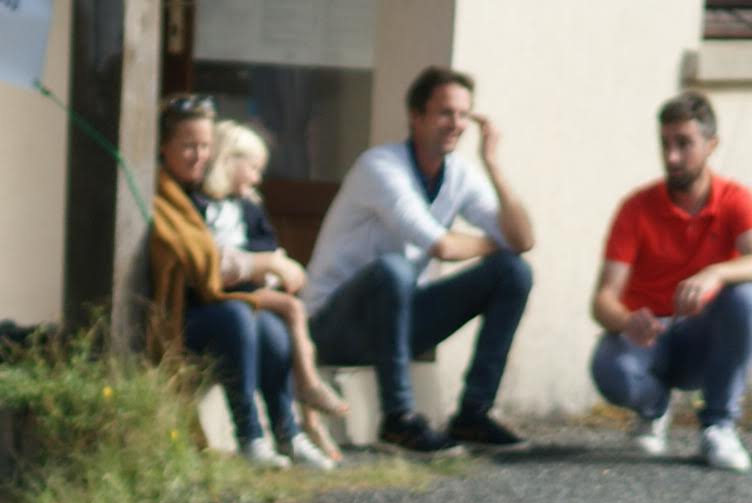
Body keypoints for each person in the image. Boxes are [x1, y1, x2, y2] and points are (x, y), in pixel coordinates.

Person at [302, 64, 536, 454]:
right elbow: (441, 246)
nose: (456, 124)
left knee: (513, 272)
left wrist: (493, 165)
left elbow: (523, 240)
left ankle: (473, 414)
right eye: (445, 113)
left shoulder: (460, 173)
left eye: (463, 115)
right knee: (394, 271)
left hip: (398, 321)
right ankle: (397, 420)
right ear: (415, 116)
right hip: (334, 325)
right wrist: (496, 242)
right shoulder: (380, 167)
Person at [147, 96, 327, 470]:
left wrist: (264, 263)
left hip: (225, 305)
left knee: (272, 332)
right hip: (183, 315)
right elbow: (200, 263)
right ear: (164, 147)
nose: (198, 155)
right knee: (238, 317)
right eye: (188, 146)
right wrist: (262, 263)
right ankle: (250, 437)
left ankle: (288, 432)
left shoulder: (217, 195)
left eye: (205, 146)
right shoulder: (162, 195)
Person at [592, 90, 752, 472]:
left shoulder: (734, 200)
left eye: (684, 144)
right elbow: (603, 300)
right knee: (608, 367)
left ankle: (718, 426)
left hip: (702, 336)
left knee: (745, 298)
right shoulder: (637, 208)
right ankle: (653, 408)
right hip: (649, 338)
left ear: (711, 145)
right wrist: (628, 321)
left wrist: (715, 272)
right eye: (665, 144)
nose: (672, 157)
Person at [203, 118, 350, 456]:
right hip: (227, 296)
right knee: (293, 310)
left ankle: (298, 425)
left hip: (252, 292)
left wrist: (267, 269)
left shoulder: (249, 206)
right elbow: (216, 260)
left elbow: (267, 248)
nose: (257, 178)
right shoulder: (204, 204)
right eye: (252, 168)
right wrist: (268, 266)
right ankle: (307, 388)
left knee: (280, 330)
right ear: (228, 161)